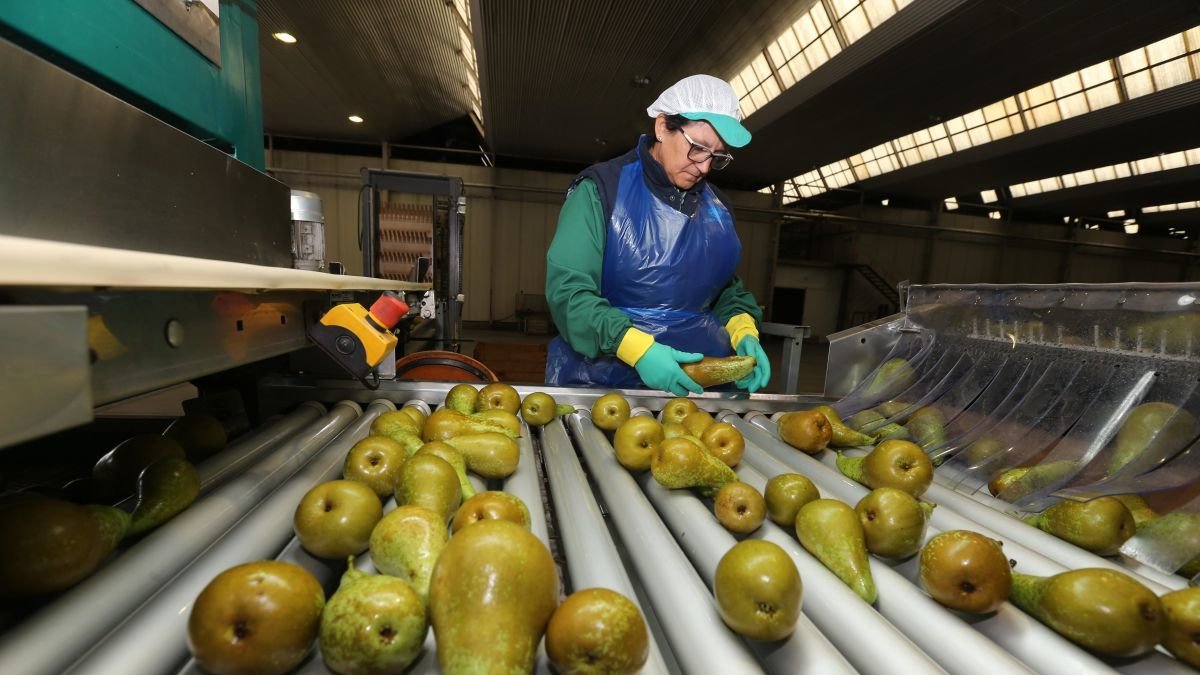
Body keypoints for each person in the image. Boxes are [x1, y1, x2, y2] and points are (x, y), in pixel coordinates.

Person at [544, 74, 771, 397]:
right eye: (697, 148)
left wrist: (743, 330)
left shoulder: (718, 209)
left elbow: (723, 290)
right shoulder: (602, 191)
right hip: (601, 385)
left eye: (718, 156)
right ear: (662, 127)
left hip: (698, 390)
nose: (704, 167)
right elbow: (569, 293)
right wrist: (638, 349)